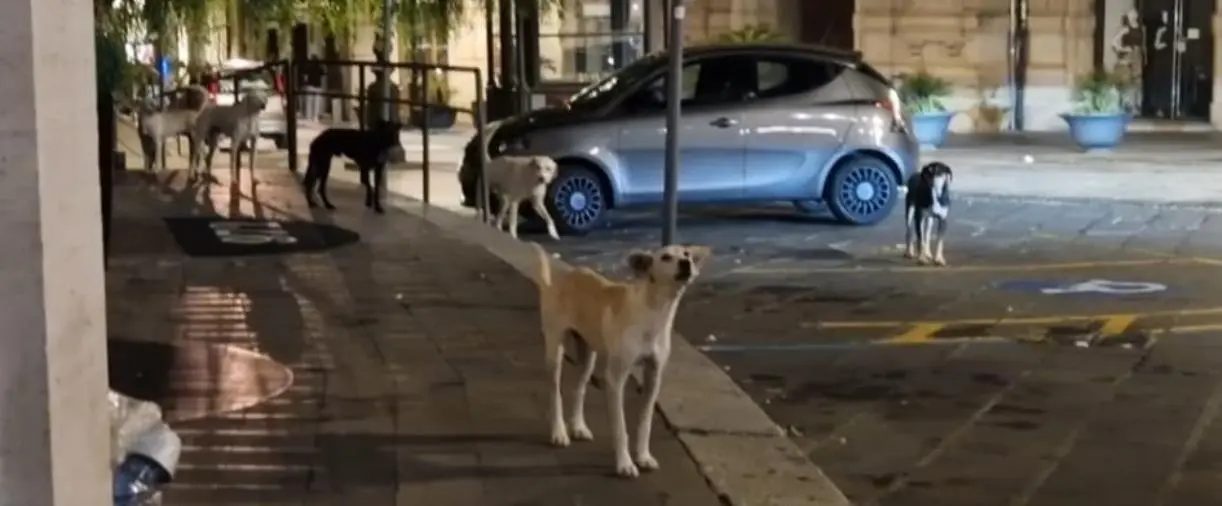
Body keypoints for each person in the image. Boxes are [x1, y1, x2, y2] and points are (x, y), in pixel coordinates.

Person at [299, 55, 326, 121]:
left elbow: (305, 76)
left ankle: (309, 117)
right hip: (317, 86)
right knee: (316, 103)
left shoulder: (308, 67)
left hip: (310, 86)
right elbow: (323, 74)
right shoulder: (320, 67)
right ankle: (315, 117)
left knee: (309, 102)